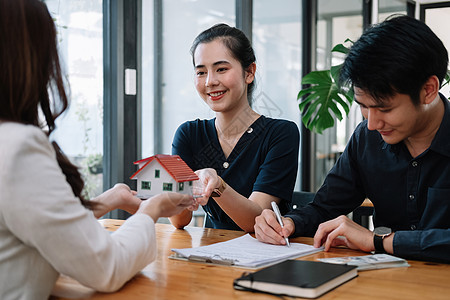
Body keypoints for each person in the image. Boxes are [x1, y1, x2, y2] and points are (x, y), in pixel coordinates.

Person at [0, 0, 195, 298]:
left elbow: (34, 222)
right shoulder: (17, 147)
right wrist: (151, 209)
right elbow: (105, 266)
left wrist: (104, 202)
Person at [254, 15, 450, 263]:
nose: (372, 123)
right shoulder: (366, 139)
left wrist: (378, 241)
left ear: (428, 90)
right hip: (387, 280)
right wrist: (289, 223)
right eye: (363, 106)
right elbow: (326, 206)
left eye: (385, 109)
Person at [169, 24, 300, 232]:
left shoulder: (281, 134)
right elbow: (179, 221)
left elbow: (256, 222)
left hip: (263, 255)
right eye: (201, 72)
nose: (210, 81)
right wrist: (178, 191)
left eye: (221, 69)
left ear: (249, 72)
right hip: (207, 257)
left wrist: (217, 185)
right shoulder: (188, 134)